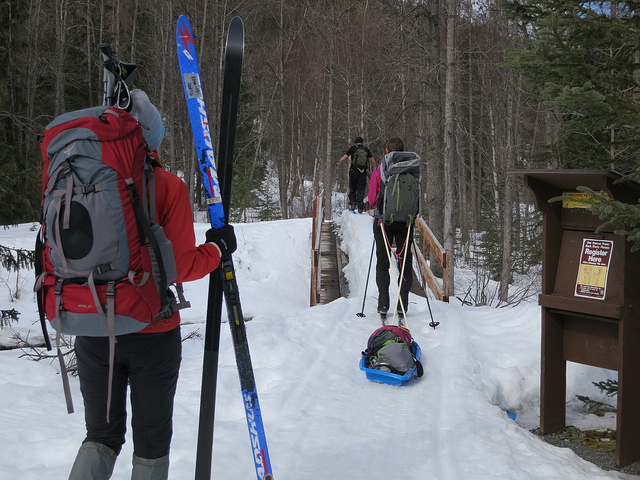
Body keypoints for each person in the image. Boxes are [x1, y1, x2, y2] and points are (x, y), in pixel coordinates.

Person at [67, 89, 237, 480]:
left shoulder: (77, 181)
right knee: (151, 443)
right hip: (152, 330)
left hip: (93, 326)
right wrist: (217, 248)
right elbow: (181, 267)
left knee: (100, 438)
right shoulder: (167, 186)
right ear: (152, 137)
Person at [368, 137, 419, 321]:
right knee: (405, 262)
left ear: (387, 151)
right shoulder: (413, 168)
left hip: (383, 221)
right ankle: (402, 305)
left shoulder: (380, 168)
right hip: (406, 222)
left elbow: (372, 198)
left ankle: (383, 304)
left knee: (383, 261)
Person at [336, 136, 376, 213]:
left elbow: (344, 157)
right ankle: (360, 207)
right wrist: (375, 169)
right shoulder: (366, 149)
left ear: (355, 142)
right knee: (361, 189)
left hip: (353, 171)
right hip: (362, 172)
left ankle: (353, 204)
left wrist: (338, 163)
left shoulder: (352, 148)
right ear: (362, 142)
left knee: (352, 187)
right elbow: (373, 161)